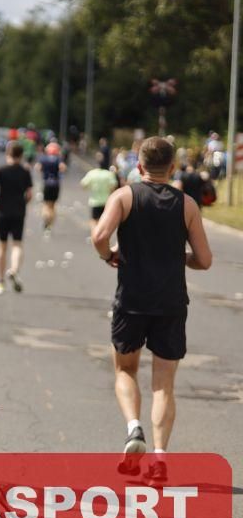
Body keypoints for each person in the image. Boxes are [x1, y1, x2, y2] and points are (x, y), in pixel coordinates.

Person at [91, 136, 212, 484]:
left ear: (139, 165)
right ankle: (160, 457)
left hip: (131, 300)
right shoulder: (187, 205)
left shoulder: (124, 196)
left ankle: (134, 428)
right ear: (172, 168)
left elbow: (99, 236)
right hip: (171, 302)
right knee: (164, 384)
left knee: (125, 370)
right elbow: (204, 259)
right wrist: (180, 258)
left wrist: (109, 255)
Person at [0, 142, 33, 295]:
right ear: (21, 155)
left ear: (8, 153)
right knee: (17, 244)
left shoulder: (0, 170)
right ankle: (13, 270)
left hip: (2, 211)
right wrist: (23, 203)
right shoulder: (25, 172)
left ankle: (0, 281)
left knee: (2, 246)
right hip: (19, 211)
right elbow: (29, 194)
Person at [35, 141, 66, 235]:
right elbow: (62, 168)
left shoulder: (43, 158)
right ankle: (50, 226)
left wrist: (44, 171)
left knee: (46, 204)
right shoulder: (58, 158)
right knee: (52, 206)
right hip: (56, 183)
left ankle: (46, 221)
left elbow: (37, 168)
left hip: (47, 183)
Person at [80, 153, 118, 227]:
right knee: (104, 222)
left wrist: (92, 187)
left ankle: (94, 233)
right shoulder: (109, 174)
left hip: (95, 202)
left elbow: (83, 185)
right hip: (106, 202)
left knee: (94, 221)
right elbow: (113, 187)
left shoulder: (92, 173)